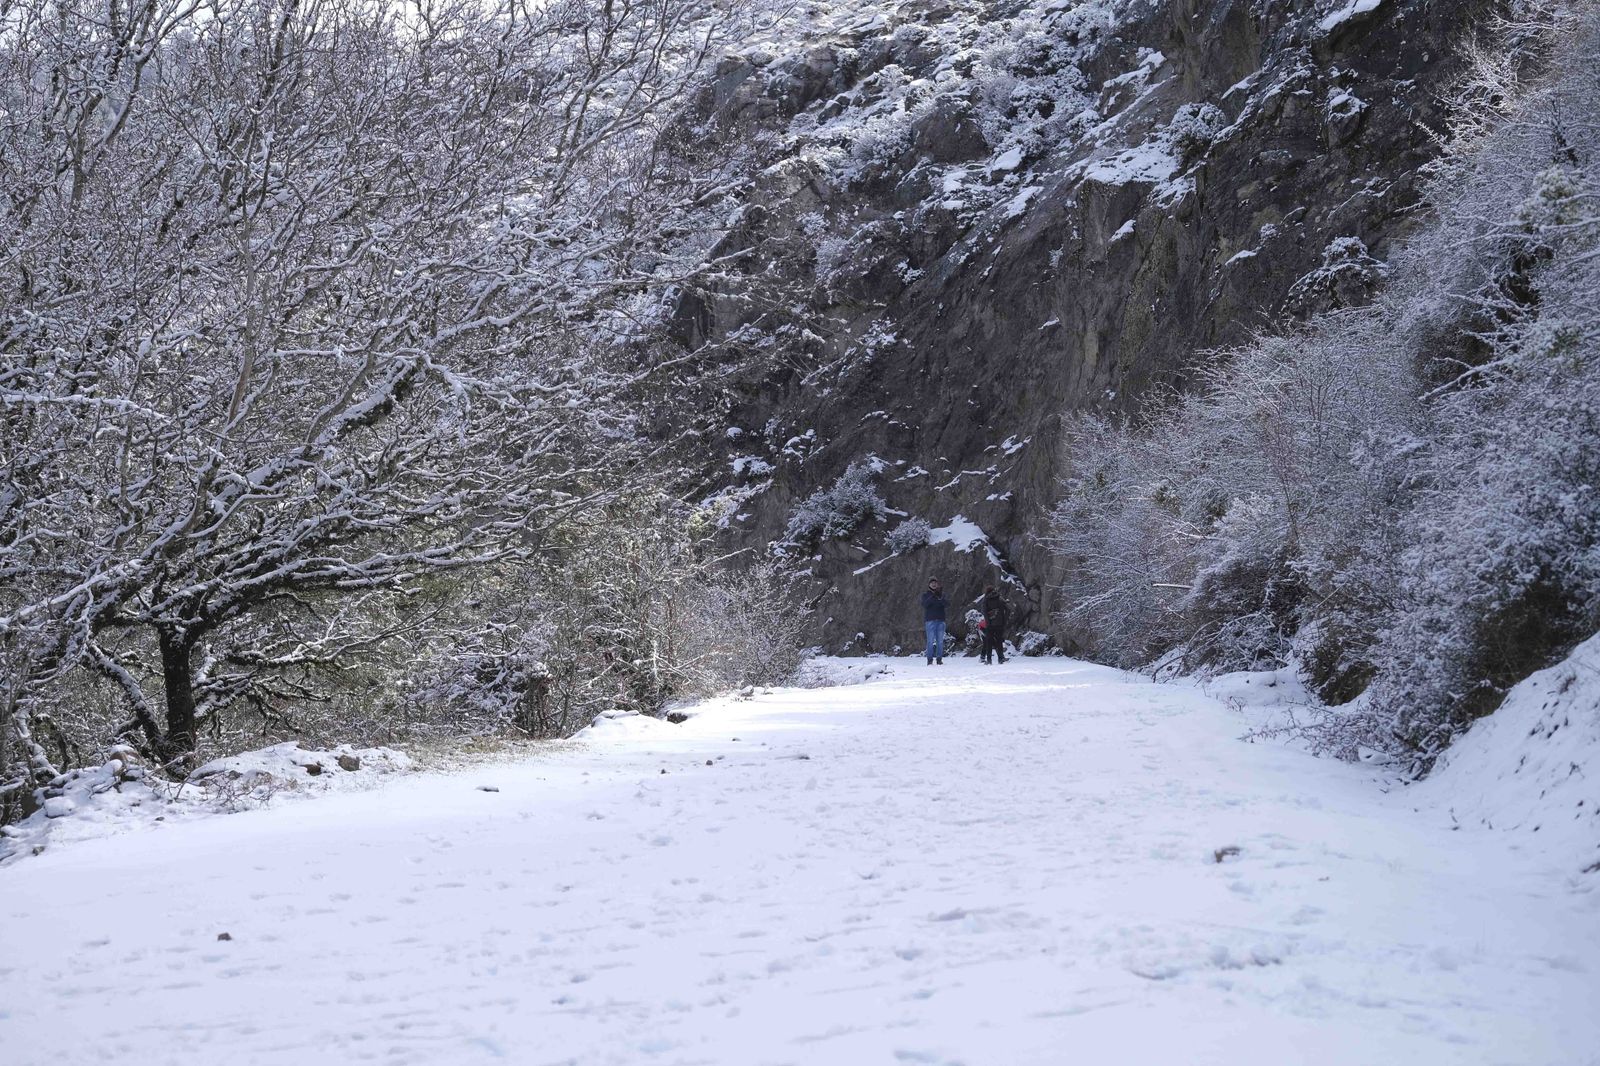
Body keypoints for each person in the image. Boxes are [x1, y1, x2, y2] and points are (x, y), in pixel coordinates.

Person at [979, 584, 1009, 664]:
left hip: (990, 624)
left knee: (989, 642)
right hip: (1000, 623)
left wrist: (988, 622)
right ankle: (1000, 659)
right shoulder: (1000, 598)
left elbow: (984, 611)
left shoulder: (986, 599)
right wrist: (1004, 620)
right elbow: (1008, 609)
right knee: (999, 641)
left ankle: (989, 660)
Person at [920, 578, 947, 665]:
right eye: (932, 583)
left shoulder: (941, 594)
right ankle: (929, 659)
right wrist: (933, 596)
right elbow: (925, 604)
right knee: (930, 641)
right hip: (930, 620)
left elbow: (947, 604)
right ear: (929, 585)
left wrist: (940, 598)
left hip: (941, 620)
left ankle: (939, 659)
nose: (934, 584)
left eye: (935, 582)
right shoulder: (926, 595)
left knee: (940, 641)